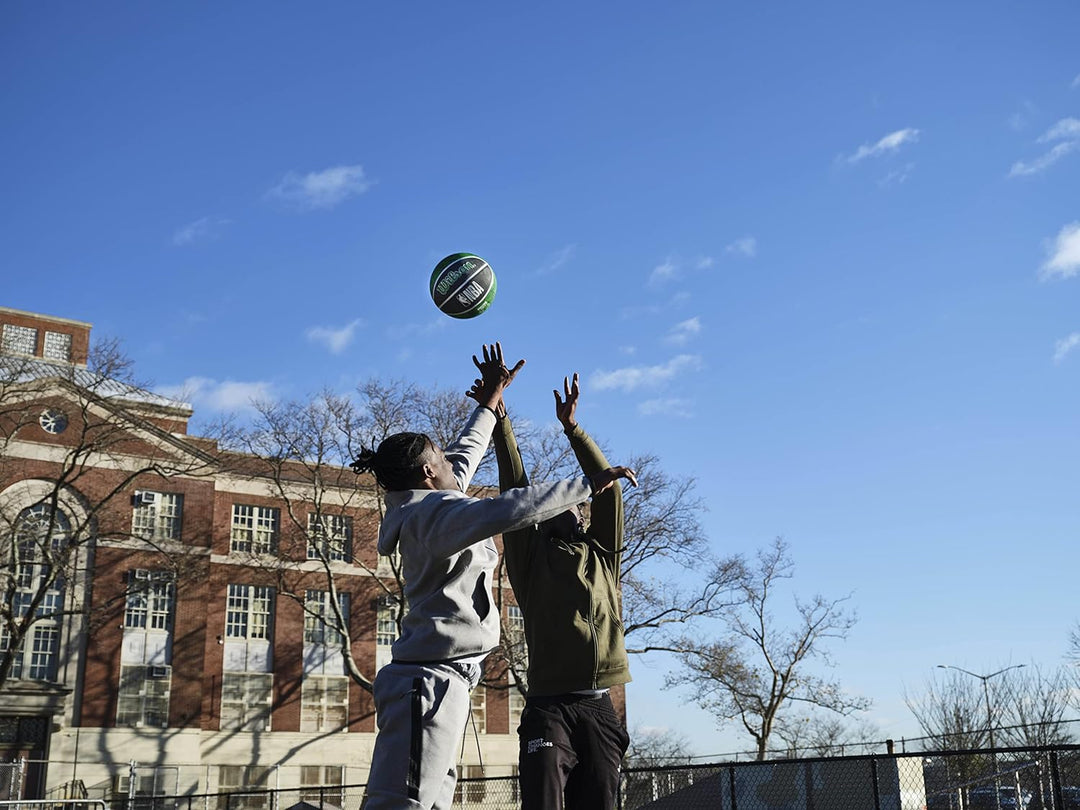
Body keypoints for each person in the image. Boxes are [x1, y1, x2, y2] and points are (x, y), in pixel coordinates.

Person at [351, 344, 637, 810]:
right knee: (401, 804)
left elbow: (464, 453)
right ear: (428, 474)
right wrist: (587, 483)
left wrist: (489, 404)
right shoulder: (439, 517)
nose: (452, 463)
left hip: (444, 681)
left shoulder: (432, 502)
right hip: (430, 680)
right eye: (441, 459)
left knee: (430, 798)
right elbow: (513, 503)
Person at [488, 372, 634, 810]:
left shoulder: (602, 554)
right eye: (545, 501)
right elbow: (515, 488)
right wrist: (501, 420)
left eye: (567, 499)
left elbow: (606, 489)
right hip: (548, 706)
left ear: (580, 513)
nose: (557, 503)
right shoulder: (530, 559)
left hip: (597, 706)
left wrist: (574, 429)